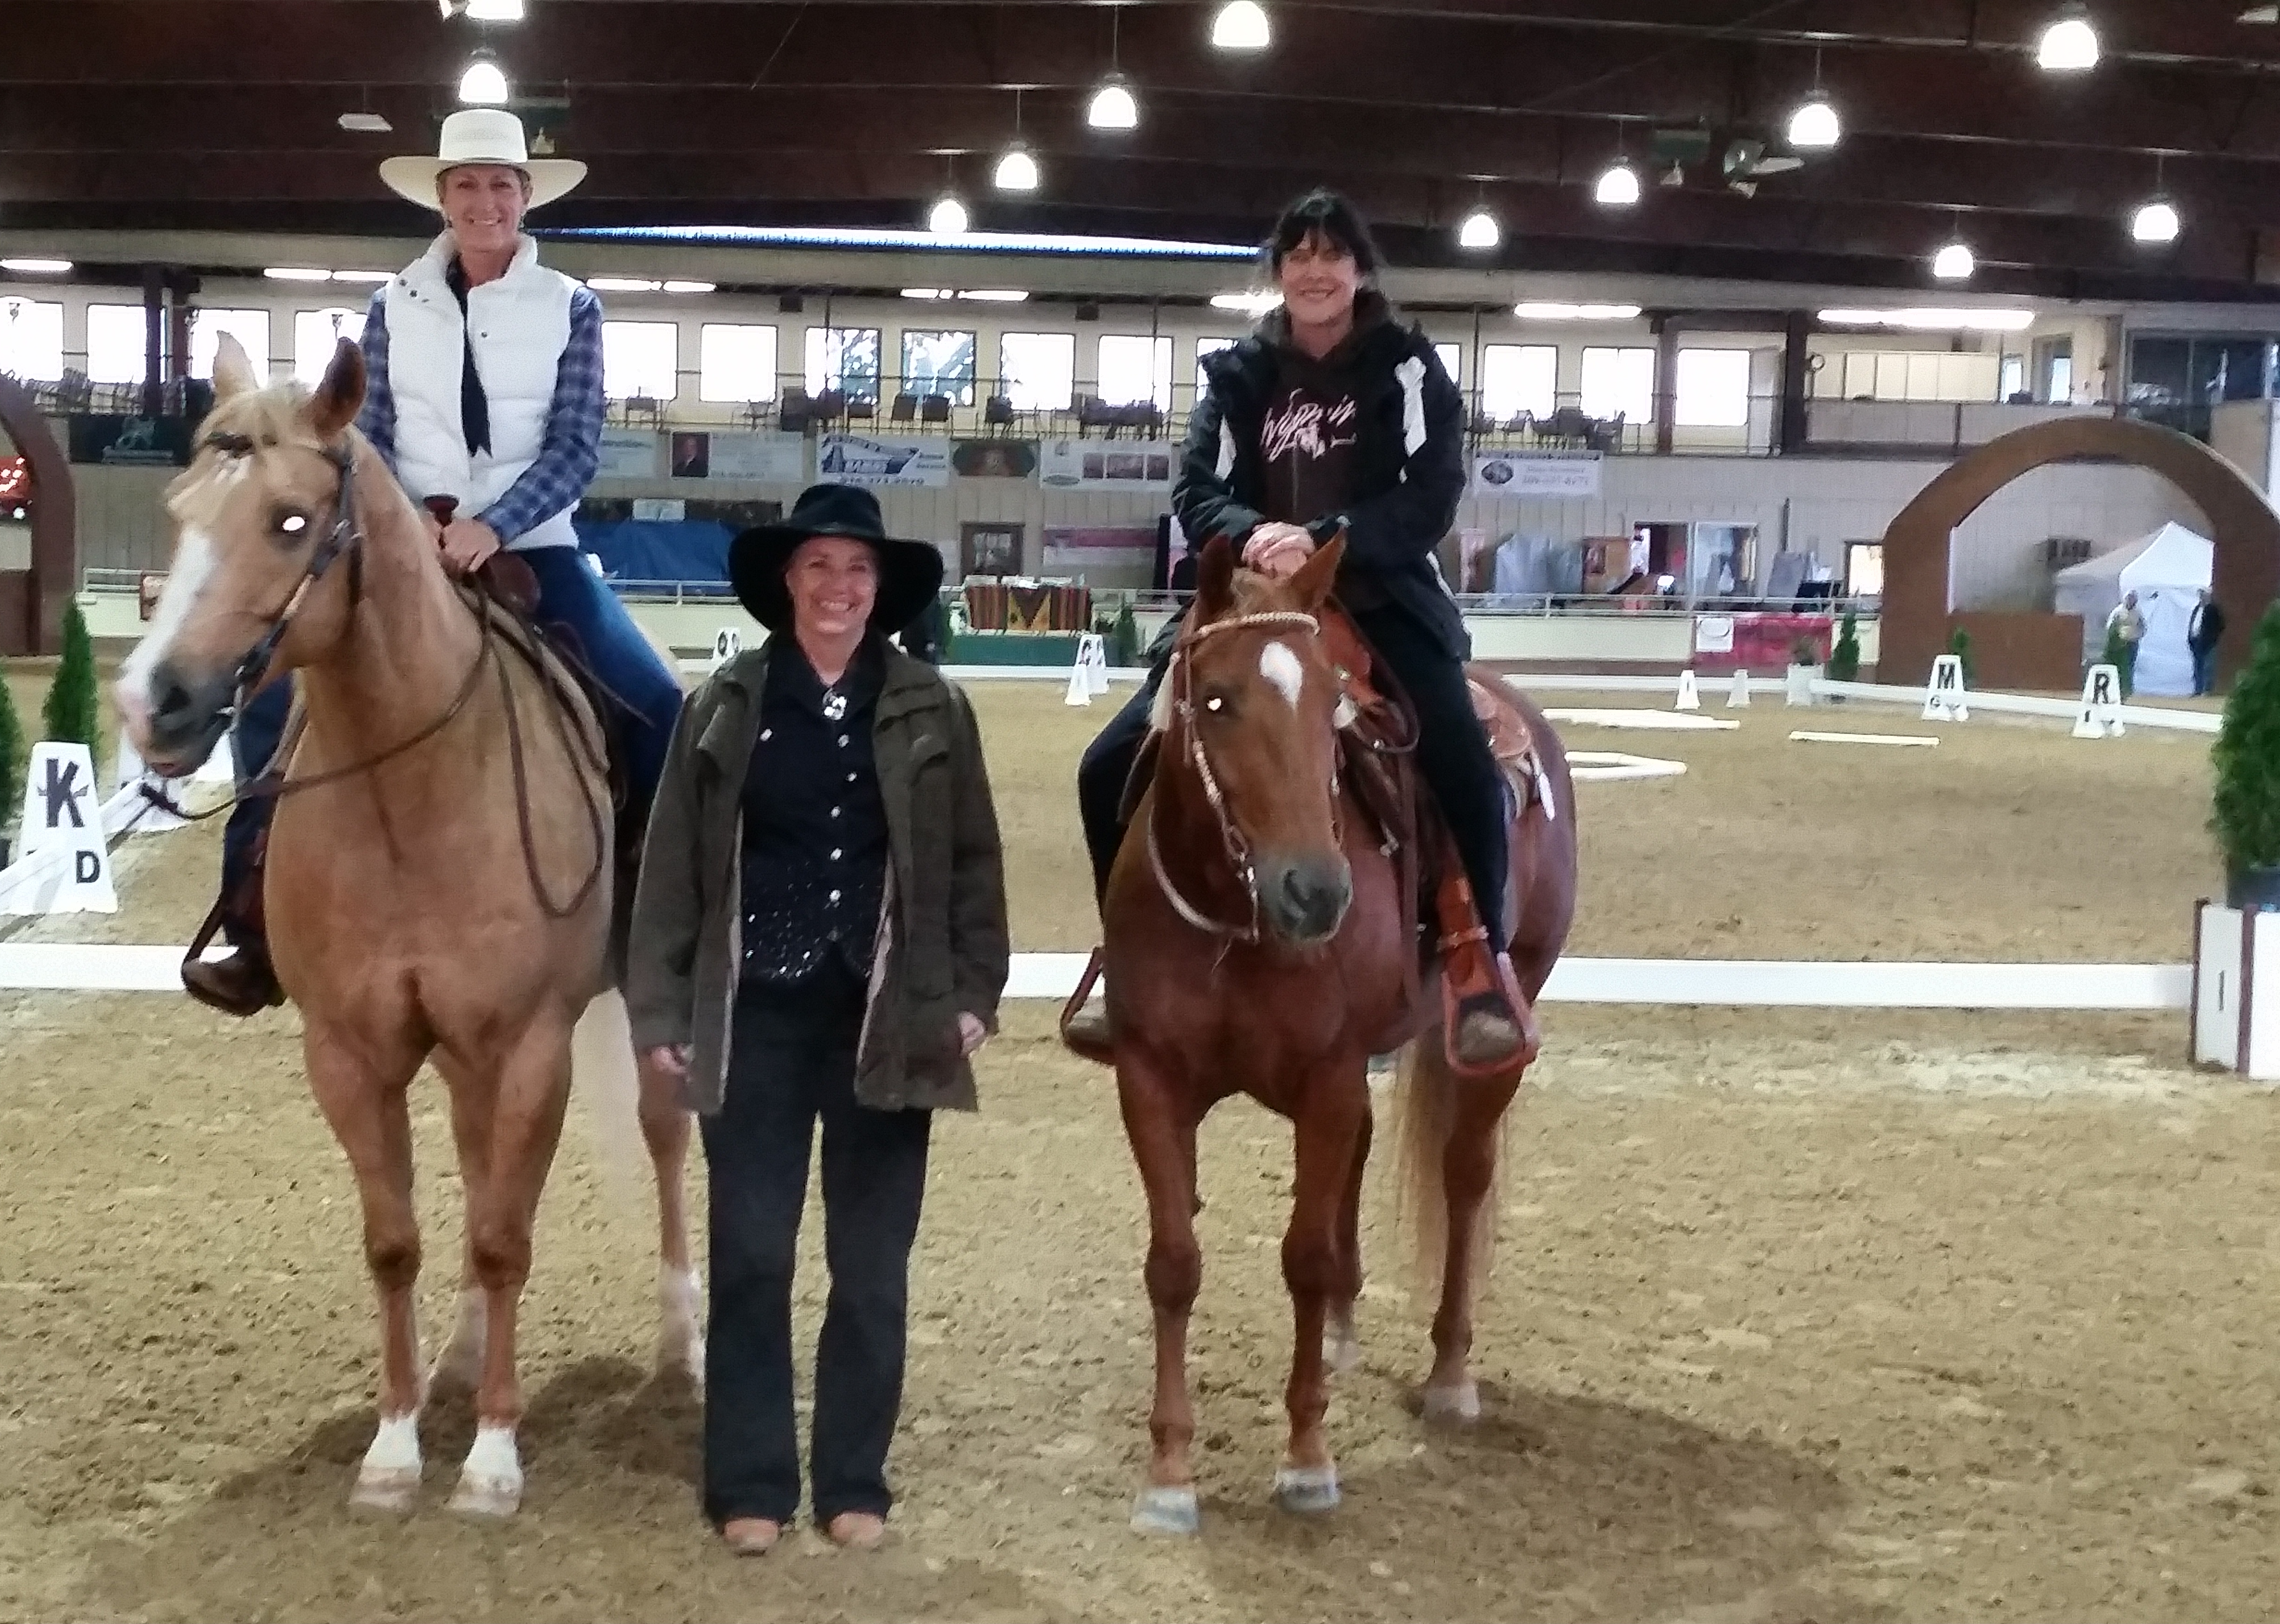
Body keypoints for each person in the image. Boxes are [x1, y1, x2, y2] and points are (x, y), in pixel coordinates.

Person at [183, 108, 684, 1015]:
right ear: (442, 197)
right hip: (402, 550)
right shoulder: (391, 305)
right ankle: (249, 921)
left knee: (658, 705)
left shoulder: (571, 305)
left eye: (501, 185)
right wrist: (413, 527)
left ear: (525, 197)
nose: (484, 200)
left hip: (536, 548)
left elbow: (575, 445)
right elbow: (364, 437)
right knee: (270, 694)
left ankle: (654, 925)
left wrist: (494, 524)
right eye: (466, 184)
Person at [1064, 187, 1536, 1073]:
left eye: (1331, 255)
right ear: (1280, 273)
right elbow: (1195, 488)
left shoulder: (1406, 368)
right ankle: (1121, 957)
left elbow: (1429, 492)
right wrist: (1251, 534)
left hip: (1378, 592)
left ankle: (1478, 963)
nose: (1315, 271)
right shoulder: (1239, 375)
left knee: (1466, 769)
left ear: (1359, 270)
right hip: (1247, 599)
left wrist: (1327, 538)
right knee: (1105, 765)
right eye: (1298, 256)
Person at [626, 483, 1008, 1557]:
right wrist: (661, 1007)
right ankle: (749, 1480)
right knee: (751, 1254)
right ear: (786, 585)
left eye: (858, 572)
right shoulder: (724, 704)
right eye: (818, 569)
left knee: (871, 1263)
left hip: (887, 1018)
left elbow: (973, 862)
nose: (838, 588)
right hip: (752, 1021)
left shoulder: (933, 705)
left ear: (878, 592)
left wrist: (972, 992)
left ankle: (853, 1479)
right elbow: (670, 876)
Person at [2109, 590, 2146, 698]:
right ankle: (2118, 687)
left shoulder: (2138, 613)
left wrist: (2138, 636)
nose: (2131, 601)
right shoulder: (2118, 611)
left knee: (2130, 665)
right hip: (2120, 643)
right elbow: (2111, 625)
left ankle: (2128, 688)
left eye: (2133, 599)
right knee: (2120, 666)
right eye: (2130, 599)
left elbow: (2143, 627)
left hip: (2132, 643)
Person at [2192, 591, 2226, 695]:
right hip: (2196, 642)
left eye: (2204, 596)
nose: (2202, 598)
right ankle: (2198, 690)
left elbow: (2221, 625)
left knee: (2208, 667)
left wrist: (2213, 637)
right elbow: (2193, 623)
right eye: (2201, 596)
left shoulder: (2213, 610)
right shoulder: (2197, 609)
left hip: (2209, 643)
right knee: (2198, 667)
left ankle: (2207, 690)